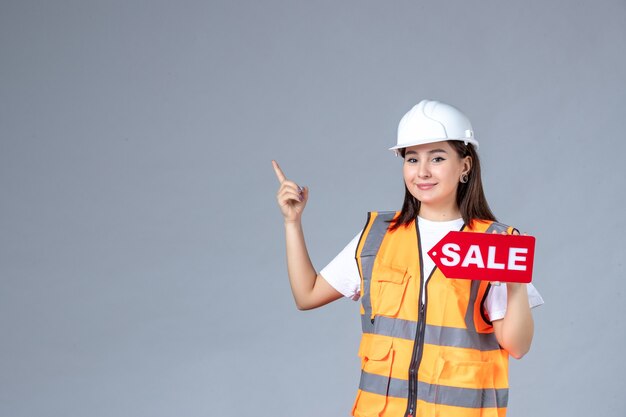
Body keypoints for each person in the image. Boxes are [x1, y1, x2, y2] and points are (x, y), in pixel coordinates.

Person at [272, 99, 543, 417]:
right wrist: (292, 223)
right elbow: (307, 294)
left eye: (438, 158)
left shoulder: (494, 243)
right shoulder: (377, 236)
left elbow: (518, 346)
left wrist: (516, 286)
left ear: (465, 165)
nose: (423, 172)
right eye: (412, 159)